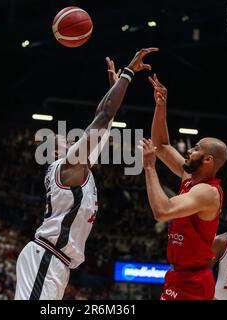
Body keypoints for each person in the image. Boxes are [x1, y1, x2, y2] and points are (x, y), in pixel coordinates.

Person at [14, 47, 159, 300]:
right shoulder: (67, 167)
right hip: (46, 257)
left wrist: (114, 88)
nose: (71, 140)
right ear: (54, 153)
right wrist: (127, 74)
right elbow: (103, 118)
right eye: (63, 140)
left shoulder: (79, 168)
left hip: (56, 262)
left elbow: (101, 121)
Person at [140, 74, 227, 300]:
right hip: (180, 276)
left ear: (208, 160)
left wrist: (150, 168)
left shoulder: (207, 192)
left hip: (193, 281)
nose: (190, 151)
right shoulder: (189, 177)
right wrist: (161, 106)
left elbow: (162, 211)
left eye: (196, 148)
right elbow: (161, 145)